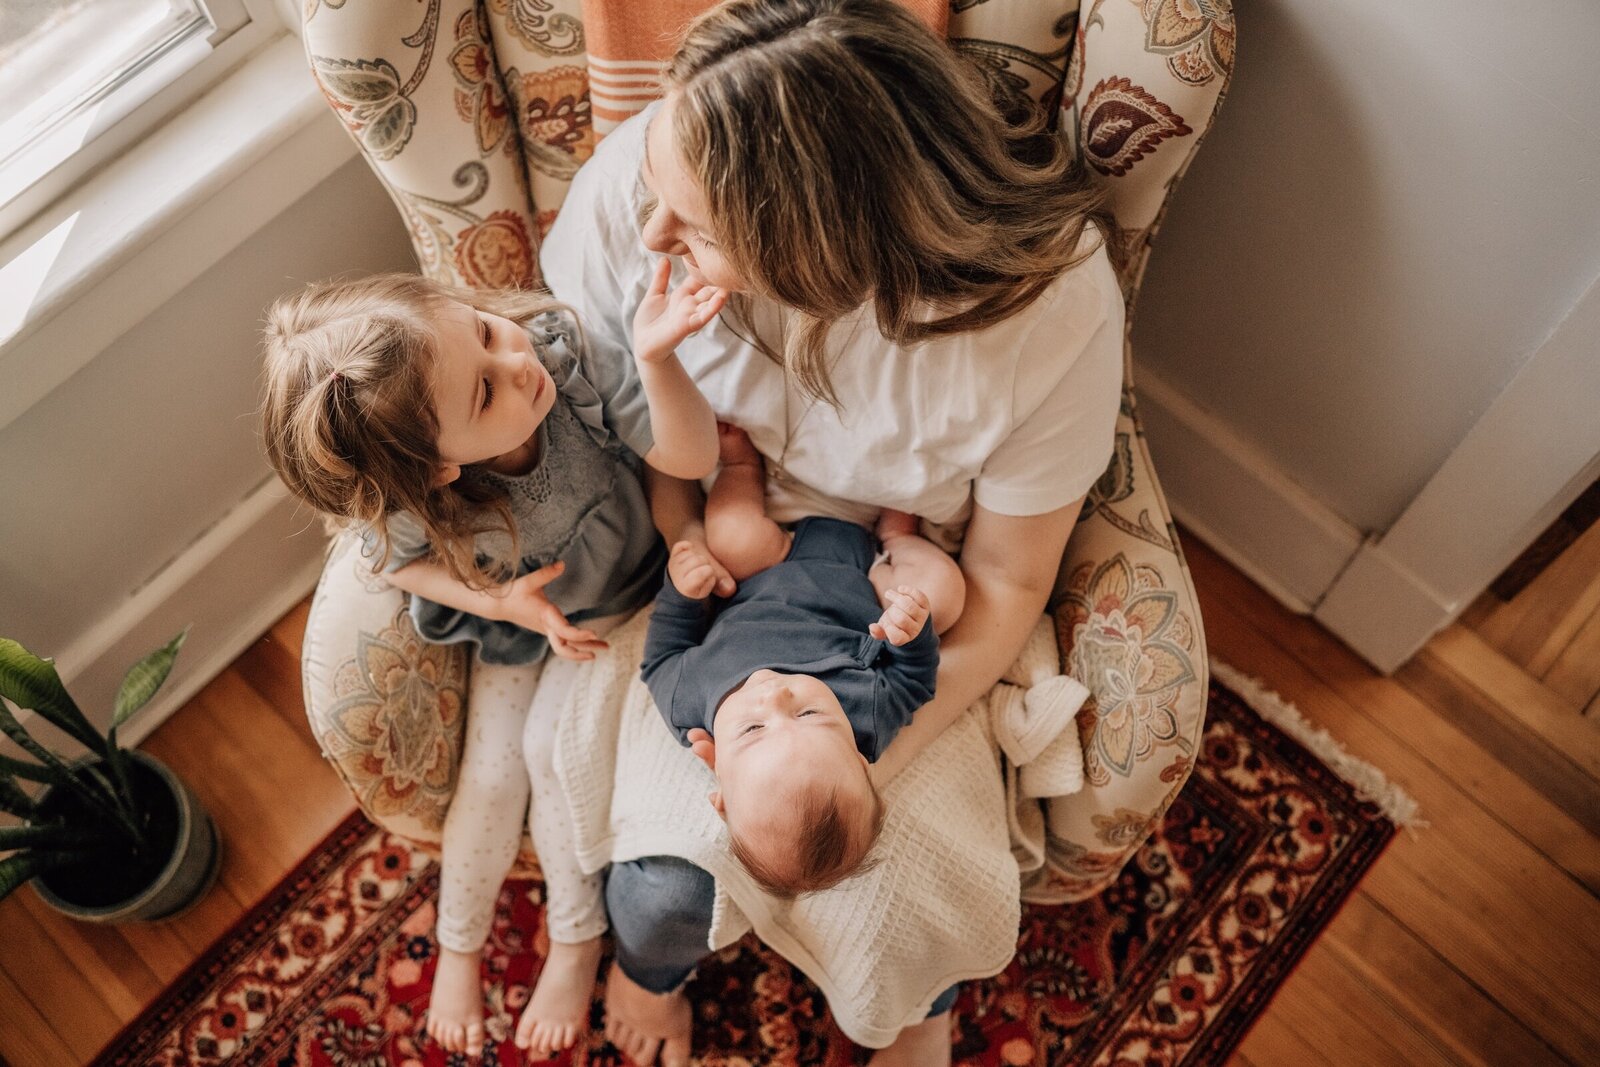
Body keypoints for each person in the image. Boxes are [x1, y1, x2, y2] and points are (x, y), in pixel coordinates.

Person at [259, 267, 724, 1059]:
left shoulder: (564, 364)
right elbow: (396, 564)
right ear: (442, 468)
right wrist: (504, 605)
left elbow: (680, 458)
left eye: (481, 327)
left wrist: (655, 364)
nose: (516, 362)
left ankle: (575, 938)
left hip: (630, 604)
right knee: (491, 773)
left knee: (552, 758)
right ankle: (459, 945)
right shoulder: (424, 500)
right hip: (529, 626)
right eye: (483, 393)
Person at [641, 423, 965, 897]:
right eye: (810, 713)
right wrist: (910, 633)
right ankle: (899, 531)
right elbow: (916, 681)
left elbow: (661, 656)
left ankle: (740, 467)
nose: (776, 696)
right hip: (869, 573)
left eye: (752, 730)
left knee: (729, 537)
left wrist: (682, 594)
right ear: (859, 755)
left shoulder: (688, 704)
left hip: (769, 562)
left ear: (721, 792)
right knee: (946, 597)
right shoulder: (866, 713)